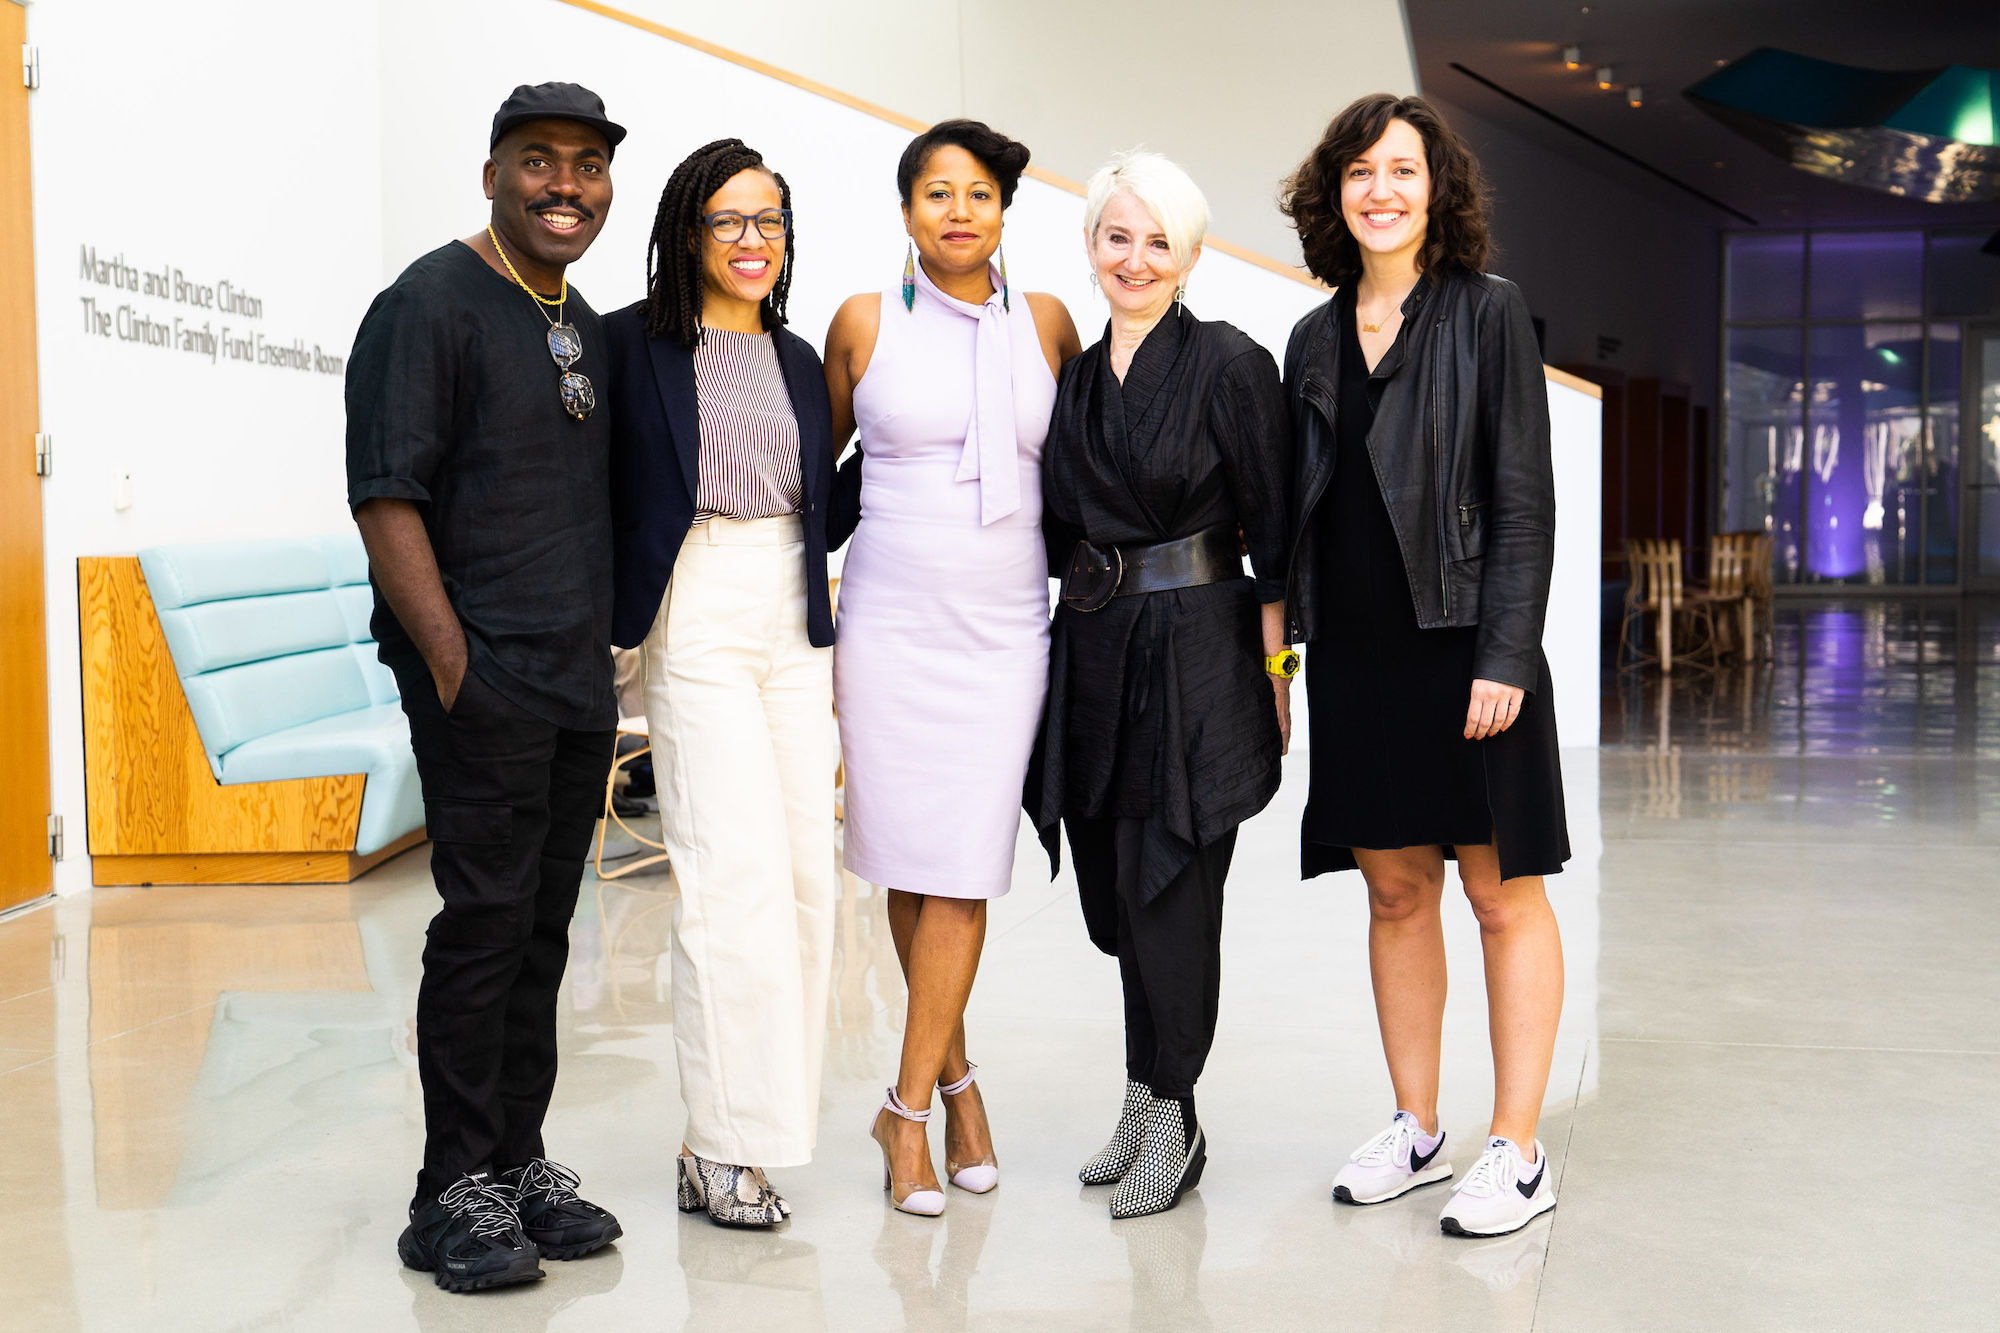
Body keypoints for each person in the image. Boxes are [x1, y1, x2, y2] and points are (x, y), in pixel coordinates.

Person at [348, 82, 626, 1292]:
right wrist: (457, 673)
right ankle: (449, 1187)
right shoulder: (428, 303)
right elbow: (385, 496)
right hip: (484, 683)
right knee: (480, 931)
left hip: (572, 681)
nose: (564, 185)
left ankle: (515, 1162)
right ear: (493, 174)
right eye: (537, 161)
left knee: (543, 933)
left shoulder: (583, 321)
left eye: (586, 165)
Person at [1278, 93, 1571, 1239]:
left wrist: (1505, 652)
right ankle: (1414, 1125)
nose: (1379, 190)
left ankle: (1517, 1146)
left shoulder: (1486, 313)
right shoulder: (1312, 336)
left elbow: (1520, 497)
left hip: (1465, 648)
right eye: (1358, 171)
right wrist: (1287, 648)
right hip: (1356, 655)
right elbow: (1304, 507)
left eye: (1401, 169)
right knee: (1396, 893)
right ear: (1333, 195)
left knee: (1501, 896)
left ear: (1435, 189)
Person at [824, 119, 1081, 1217]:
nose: (958, 212)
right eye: (936, 194)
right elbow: (809, 480)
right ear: (905, 212)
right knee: (910, 861)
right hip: (888, 623)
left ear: (1003, 213)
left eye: (977, 194)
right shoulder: (862, 323)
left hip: (1004, 629)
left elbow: (1087, 471)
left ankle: (907, 1108)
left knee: (965, 866)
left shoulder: (1052, 325)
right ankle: (955, 1089)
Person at [1034, 150, 1295, 1221]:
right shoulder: (1079, 378)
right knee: (1117, 894)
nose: (1133, 259)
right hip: (1096, 649)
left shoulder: (1230, 364)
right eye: (1115, 236)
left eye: (1156, 241)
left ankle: (1176, 1119)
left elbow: (1274, 531)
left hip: (1198, 650)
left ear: (1188, 256)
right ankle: (1144, 1095)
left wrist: (1280, 671)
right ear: (1091, 246)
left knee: (1173, 886)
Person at [602, 138, 854, 1227]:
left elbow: (816, 505)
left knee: (806, 874)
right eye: (729, 222)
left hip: (795, 613)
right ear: (686, 232)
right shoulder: (628, 346)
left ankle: (767, 1130)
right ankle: (719, 1143)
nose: (753, 243)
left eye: (770, 222)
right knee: (727, 877)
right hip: (694, 605)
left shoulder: (800, 361)